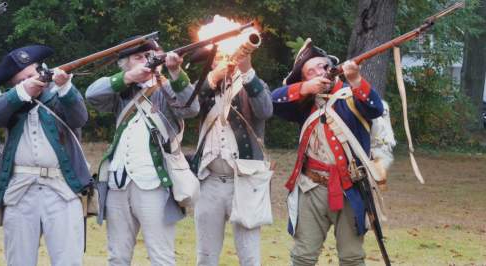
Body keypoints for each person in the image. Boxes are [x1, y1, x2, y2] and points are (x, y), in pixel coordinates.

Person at [270, 39, 384, 266]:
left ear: (332, 67)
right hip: (311, 187)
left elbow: (375, 108)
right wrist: (305, 89)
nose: (318, 72)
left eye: (322, 66)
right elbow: (271, 101)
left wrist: (356, 80)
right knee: (303, 257)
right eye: (309, 72)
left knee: (352, 258)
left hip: (351, 187)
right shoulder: (303, 103)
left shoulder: (352, 95)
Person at [85, 38, 199, 265]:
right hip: (118, 184)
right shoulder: (121, 92)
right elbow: (91, 94)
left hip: (154, 185)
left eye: (149, 56)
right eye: (138, 57)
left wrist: (175, 71)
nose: (146, 60)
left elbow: (192, 107)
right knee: (117, 256)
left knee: (161, 257)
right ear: (125, 64)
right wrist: (128, 79)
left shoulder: (166, 89)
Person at [0, 45, 91, 266]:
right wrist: (23, 92)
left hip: (62, 189)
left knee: (68, 260)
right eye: (21, 80)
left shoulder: (61, 96)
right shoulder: (13, 101)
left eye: (32, 75)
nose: (31, 81)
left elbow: (80, 118)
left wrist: (66, 86)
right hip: (19, 191)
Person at [189, 50, 273, 265]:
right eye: (218, 57)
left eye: (229, 55)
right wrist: (213, 78)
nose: (224, 60)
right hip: (210, 181)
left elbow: (265, 111)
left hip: (244, 182)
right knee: (205, 256)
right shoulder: (204, 87)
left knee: (250, 256)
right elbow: (186, 107)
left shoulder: (253, 84)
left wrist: (247, 71)